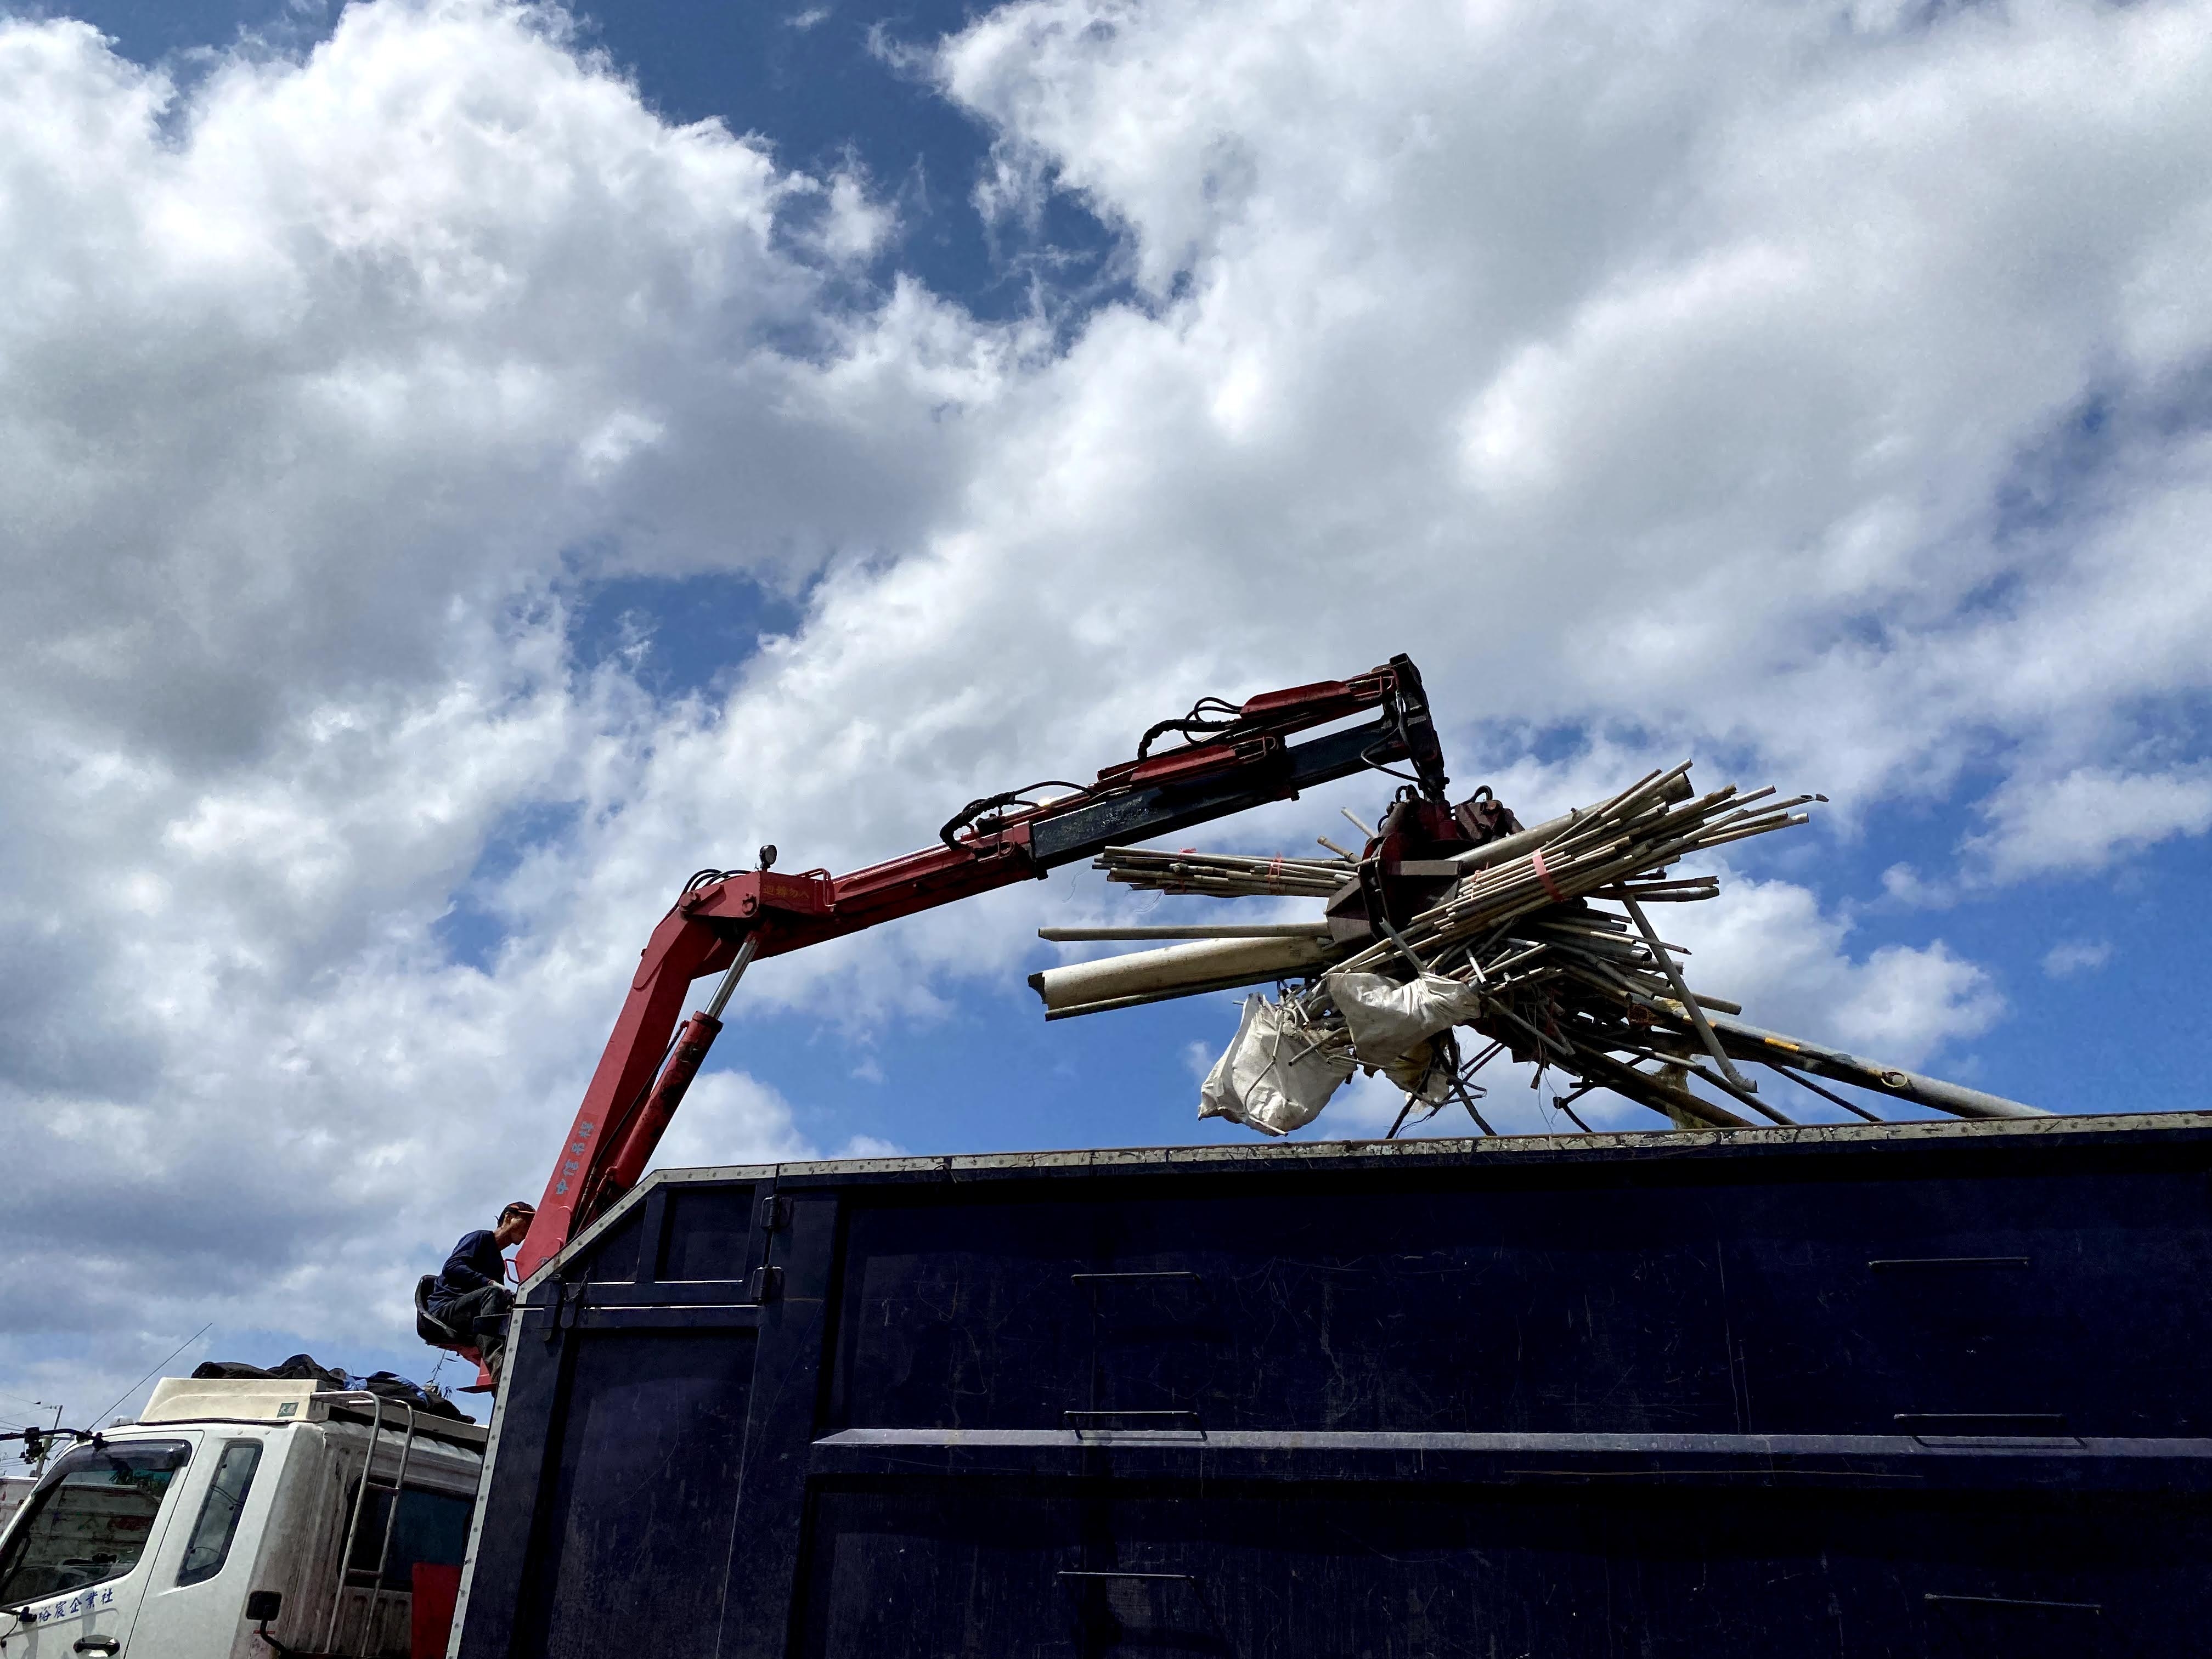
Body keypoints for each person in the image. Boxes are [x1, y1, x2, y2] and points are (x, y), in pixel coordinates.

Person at [427, 1201, 534, 1382]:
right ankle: (498, 1364)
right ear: (508, 1218)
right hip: (446, 1308)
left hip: (472, 1312)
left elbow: (498, 1304)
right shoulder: (481, 1238)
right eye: (525, 1221)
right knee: (493, 1294)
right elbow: (452, 1266)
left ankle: (510, 1371)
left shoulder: (498, 1264)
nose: (529, 1228)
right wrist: (489, 1283)